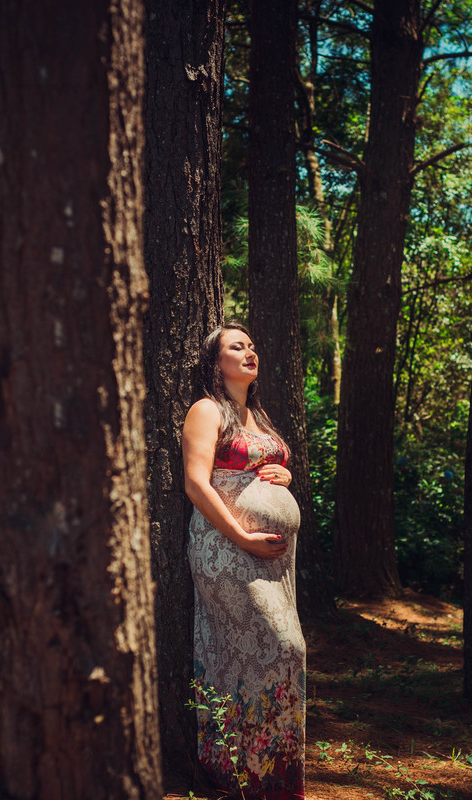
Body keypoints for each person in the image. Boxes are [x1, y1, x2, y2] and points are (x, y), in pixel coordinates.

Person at [183, 322, 306, 798]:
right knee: (279, 647)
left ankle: (271, 775)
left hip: (272, 561)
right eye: (237, 347)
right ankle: (241, 773)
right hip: (226, 549)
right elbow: (197, 483)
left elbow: (264, 467)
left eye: (252, 345)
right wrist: (243, 537)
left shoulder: (256, 414)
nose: (250, 351)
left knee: (273, 653)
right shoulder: (206, 410)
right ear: (216, 362)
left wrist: (283, 473)